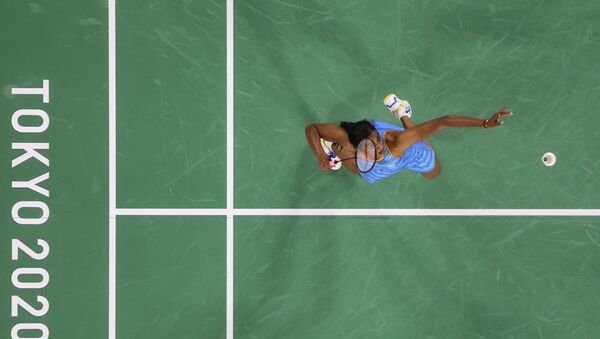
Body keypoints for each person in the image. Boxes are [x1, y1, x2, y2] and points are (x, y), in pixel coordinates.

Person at [304, 105, 513, 183]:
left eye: (377, 138)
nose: (378, 145)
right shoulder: (345, 136)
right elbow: (312, 129)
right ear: (357, 145)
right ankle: (332, 148)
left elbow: (444, 121)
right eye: (371, 144)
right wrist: (321, 156)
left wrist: (485, 123)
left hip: (409, 157)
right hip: (377, 168)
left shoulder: (395, 143)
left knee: (433, 170)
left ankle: (402, 113)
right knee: (362, 173)